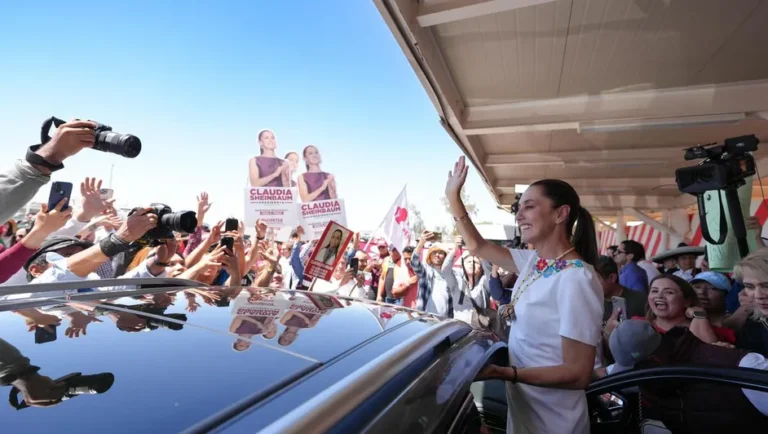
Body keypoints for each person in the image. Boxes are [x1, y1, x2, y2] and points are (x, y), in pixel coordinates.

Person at [447, 156, 602, 434]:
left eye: (529, 207)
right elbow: (477, 245)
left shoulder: (576, 277)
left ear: (560, 214)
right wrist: (453, 197)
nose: (519, 215)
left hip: (556, 422)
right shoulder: (533, 262)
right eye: (519, 208)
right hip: (524, 413)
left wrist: (504, 373)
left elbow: (578, 373)